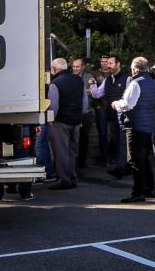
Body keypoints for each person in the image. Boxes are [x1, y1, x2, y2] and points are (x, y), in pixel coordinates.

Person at [111, 56, 155, 202]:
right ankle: (149, 188)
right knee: (144, 158)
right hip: (148, 125)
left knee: (135, 160)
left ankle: (138, 192)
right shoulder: (152, 82)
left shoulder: (135, 83)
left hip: (135, 125)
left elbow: (128, 104)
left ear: (135, 69)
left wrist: (116, 104)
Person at [47, 57, 83, 189]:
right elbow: (84, 102)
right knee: (72, 151)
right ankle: (73, 178)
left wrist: (51, 120)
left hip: (61, 122)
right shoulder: (79, 80)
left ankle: (64, 180)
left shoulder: (55, 83)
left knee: (61, 152)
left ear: (55, 69)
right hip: (76, 121)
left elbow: (53, 106)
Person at [89, 54, 129, 175]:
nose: (108, 65)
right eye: (107, 63)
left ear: (118, 64)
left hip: (125, 116)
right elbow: (97, 94)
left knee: (123, 142)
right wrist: (92, 84)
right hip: (112, 116)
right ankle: (122, 166)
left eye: (111, 63)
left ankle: (122, 168)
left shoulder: (127, 79)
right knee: (117, 141)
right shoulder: (107, 80)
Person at [71, 57, 92, 162]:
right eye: (74, 66)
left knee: (84, 137)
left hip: (86, 112)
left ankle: (82, 161)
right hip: (73, 112)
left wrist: (82, 91)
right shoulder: (69, 77)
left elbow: (93, 91)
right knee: (73, 137)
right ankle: (73, 160)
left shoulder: (89, 77)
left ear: (83, 67)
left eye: (77, 67)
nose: (75, 69)